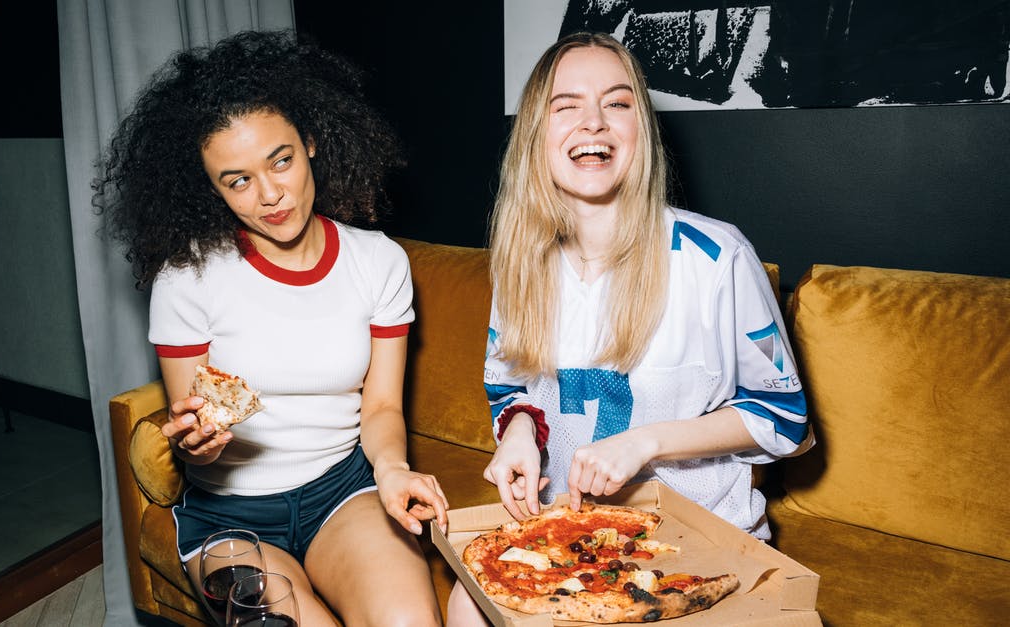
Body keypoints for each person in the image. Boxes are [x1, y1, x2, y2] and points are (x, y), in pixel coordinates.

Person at [446, 32, 813, 625]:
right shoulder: (520, 261)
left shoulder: (718, 258)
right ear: (537, 134)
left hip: (697, 545)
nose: (593, 122)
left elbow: (786, 418)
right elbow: (510, 389)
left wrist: (647, 441)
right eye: (566, 105)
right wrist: (518, 432)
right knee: (465, 604)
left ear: (641, 128)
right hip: (573, 534)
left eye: (617, 103)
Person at [95, 30, 448, 627]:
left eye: (280, 160)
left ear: (311, 143)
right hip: (226, 519)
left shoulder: (379, 262)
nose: (269, 195)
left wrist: (391, 472)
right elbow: (195, 416)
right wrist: (194, 441)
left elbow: (383, 405)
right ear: (209, 188)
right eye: (237, 180)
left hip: (345, 494)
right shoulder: (187, 277)